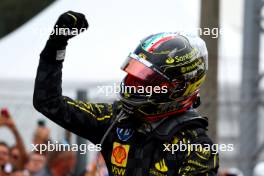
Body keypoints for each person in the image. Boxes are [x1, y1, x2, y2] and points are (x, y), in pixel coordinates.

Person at [33, 11, 219, 175]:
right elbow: (48, 102)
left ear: (176, 87)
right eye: (134, 73)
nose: (133, 83)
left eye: (145, 79)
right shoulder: (115, 119)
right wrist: (56, 44)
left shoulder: (197, 147)